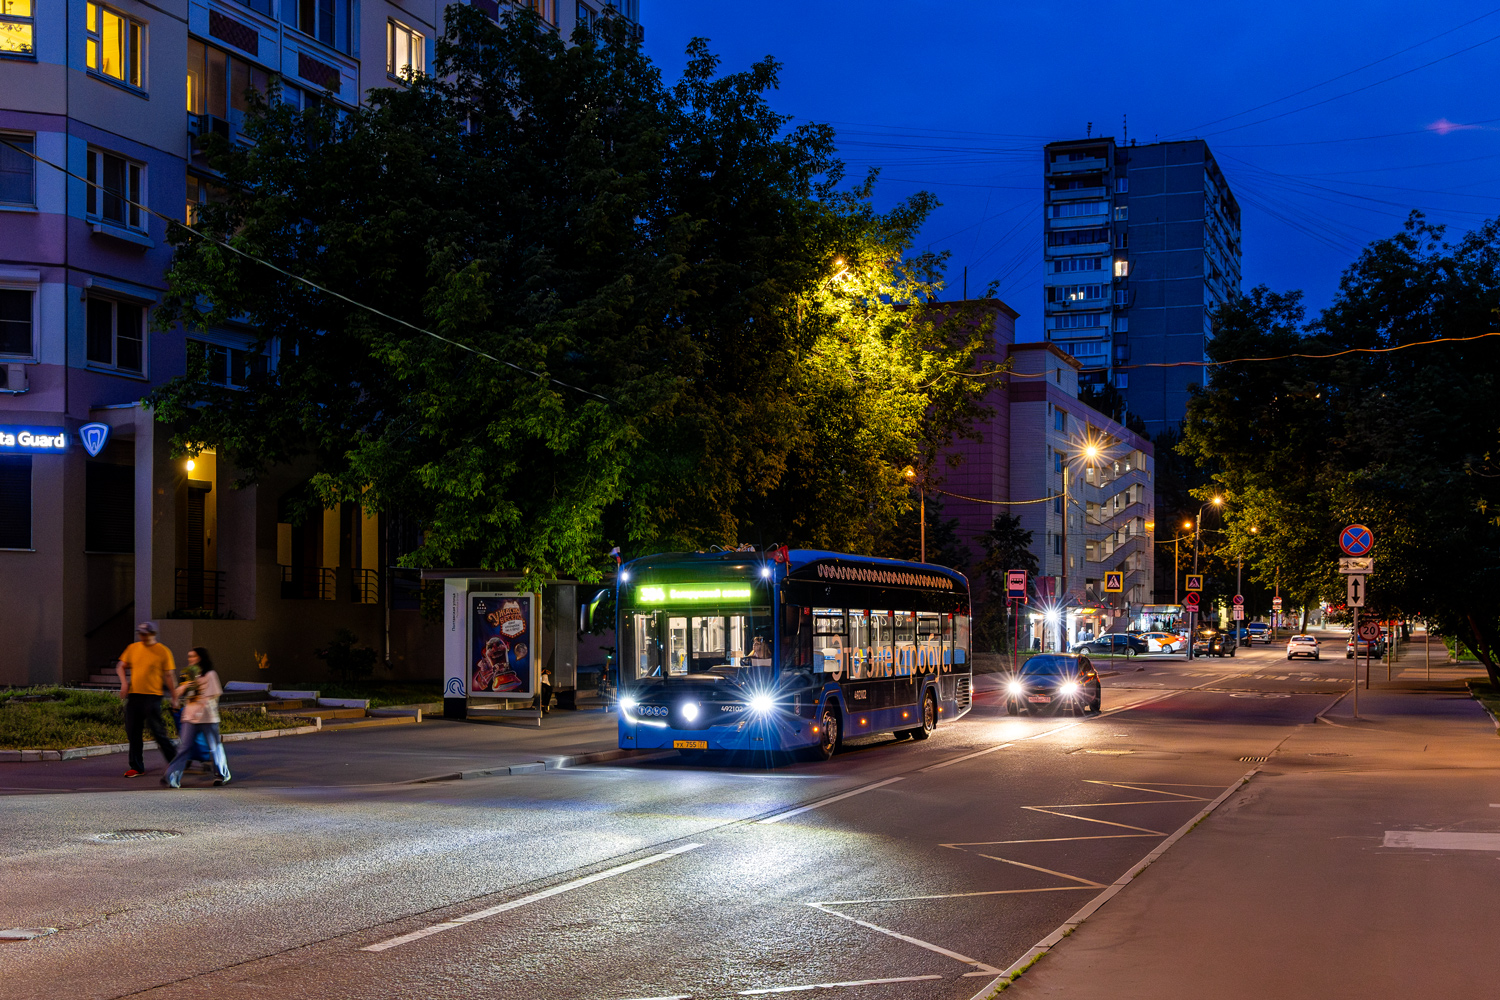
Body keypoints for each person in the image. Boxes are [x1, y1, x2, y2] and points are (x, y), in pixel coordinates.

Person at [163, 647, 231, 788]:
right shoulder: (189, 674)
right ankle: (172, 777)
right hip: (189, 716)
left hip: (208, 717)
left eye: (193, 656)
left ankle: (222, 774)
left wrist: (200, 702)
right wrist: (183, 688)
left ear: (200, 658)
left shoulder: (210, 675)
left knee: (215, 747)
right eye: (189, 657)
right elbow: (179, 692)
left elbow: (214, 695)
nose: (190, 659)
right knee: (184, 747)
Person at [116, 622, 177, 778]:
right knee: (132, 731)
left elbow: (169, 676)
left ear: (152, 634)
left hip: (153, 696)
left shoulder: (163, 651)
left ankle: (176, 760)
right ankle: (136, 766)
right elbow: (121, 666)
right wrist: (124, 683)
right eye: (140, 634)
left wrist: (175, 697)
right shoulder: (133, 648)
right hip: (135, 695)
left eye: (145, 634)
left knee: (157, 731)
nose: (142, 637)